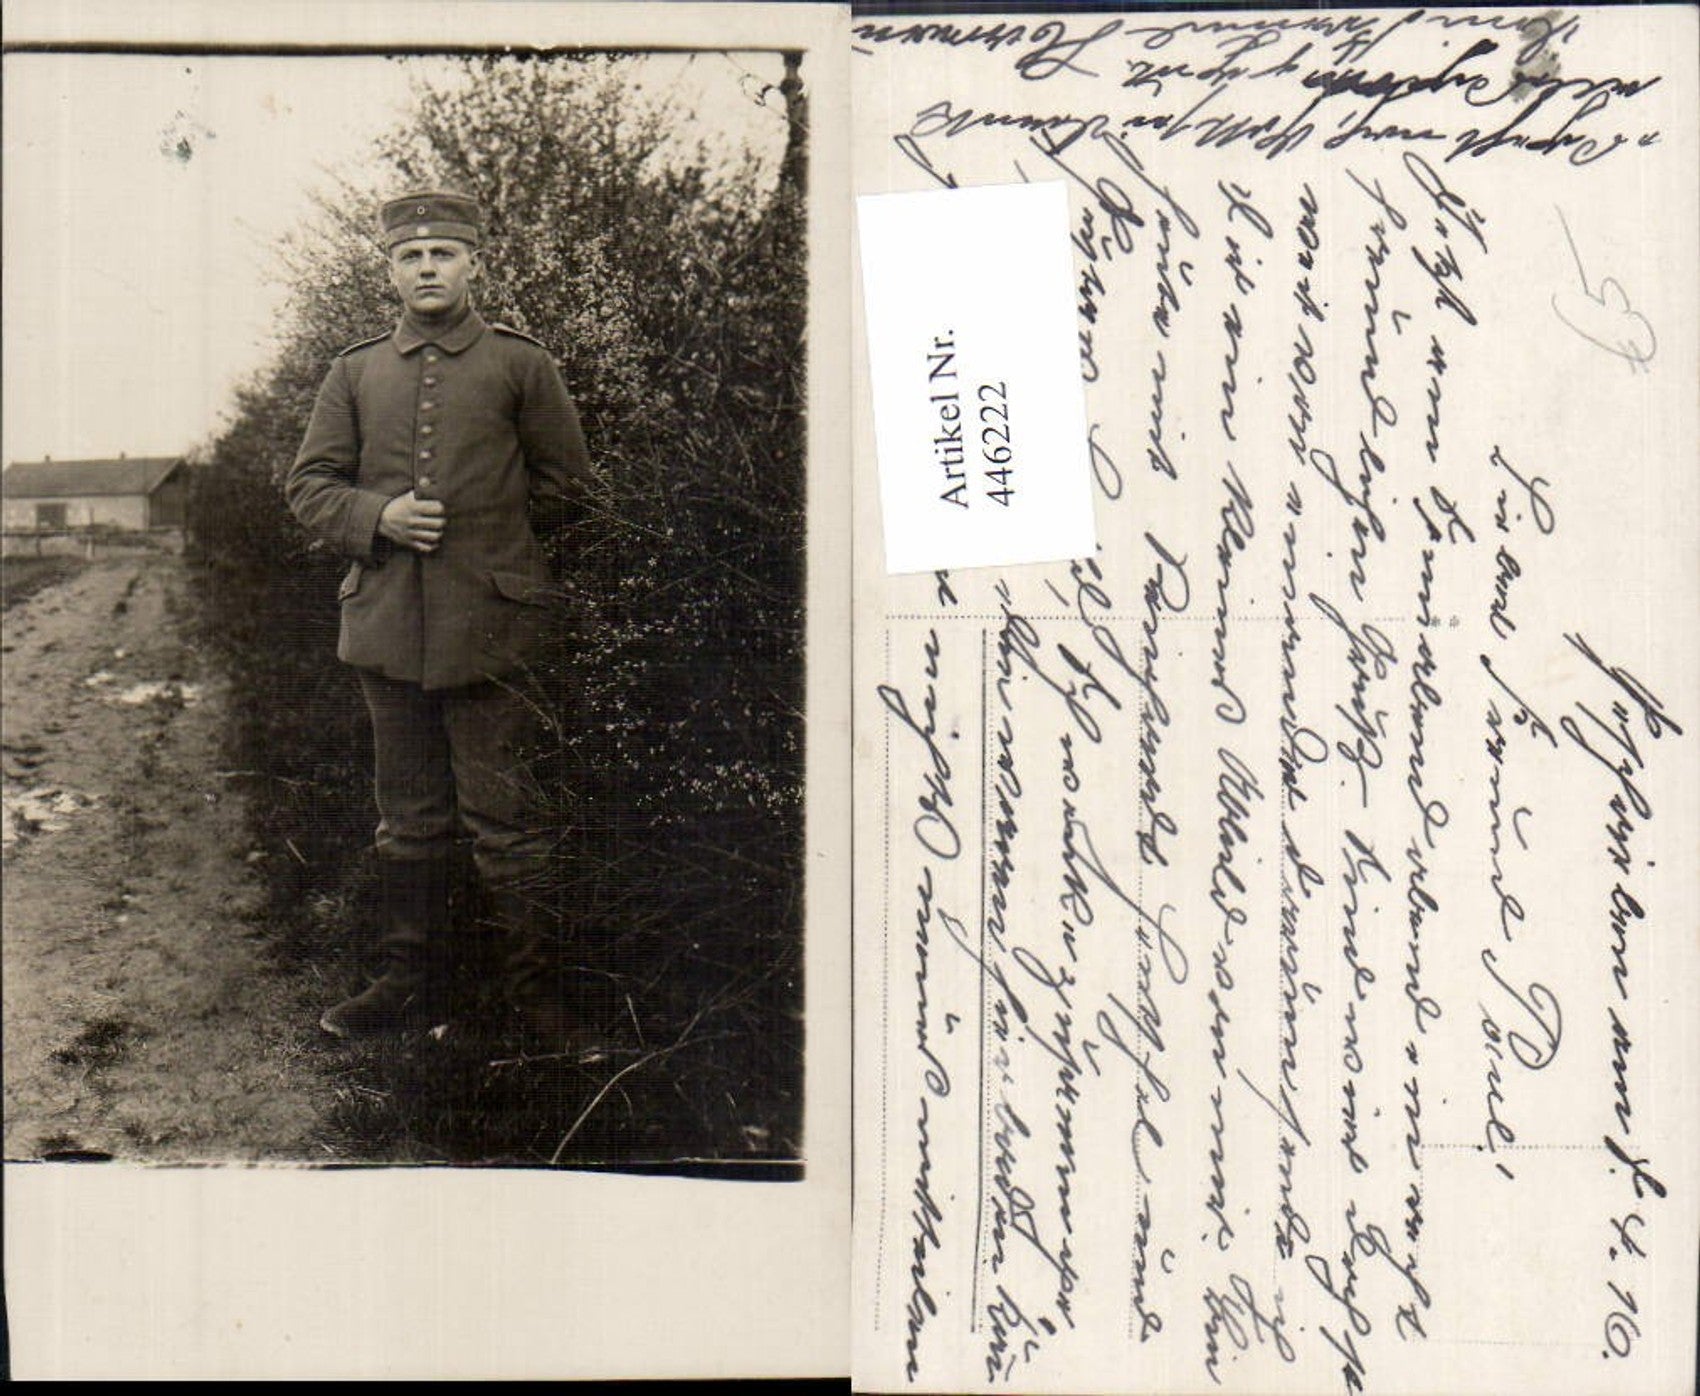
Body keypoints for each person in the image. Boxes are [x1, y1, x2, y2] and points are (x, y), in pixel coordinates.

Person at [286, 188, 589, 1042]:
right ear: (389, 271)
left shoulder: (521, 363)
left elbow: (569, 489)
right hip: (386, 629)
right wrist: (376, 517)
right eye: (410, 257)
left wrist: (498, 558)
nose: (427, 268)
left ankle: (537, 998)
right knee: (409, 820)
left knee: (508, 825)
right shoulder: (354, 372)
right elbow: (309, 485)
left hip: (494, 632)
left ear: (473, 265)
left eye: (443, 254)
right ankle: (406, 980)